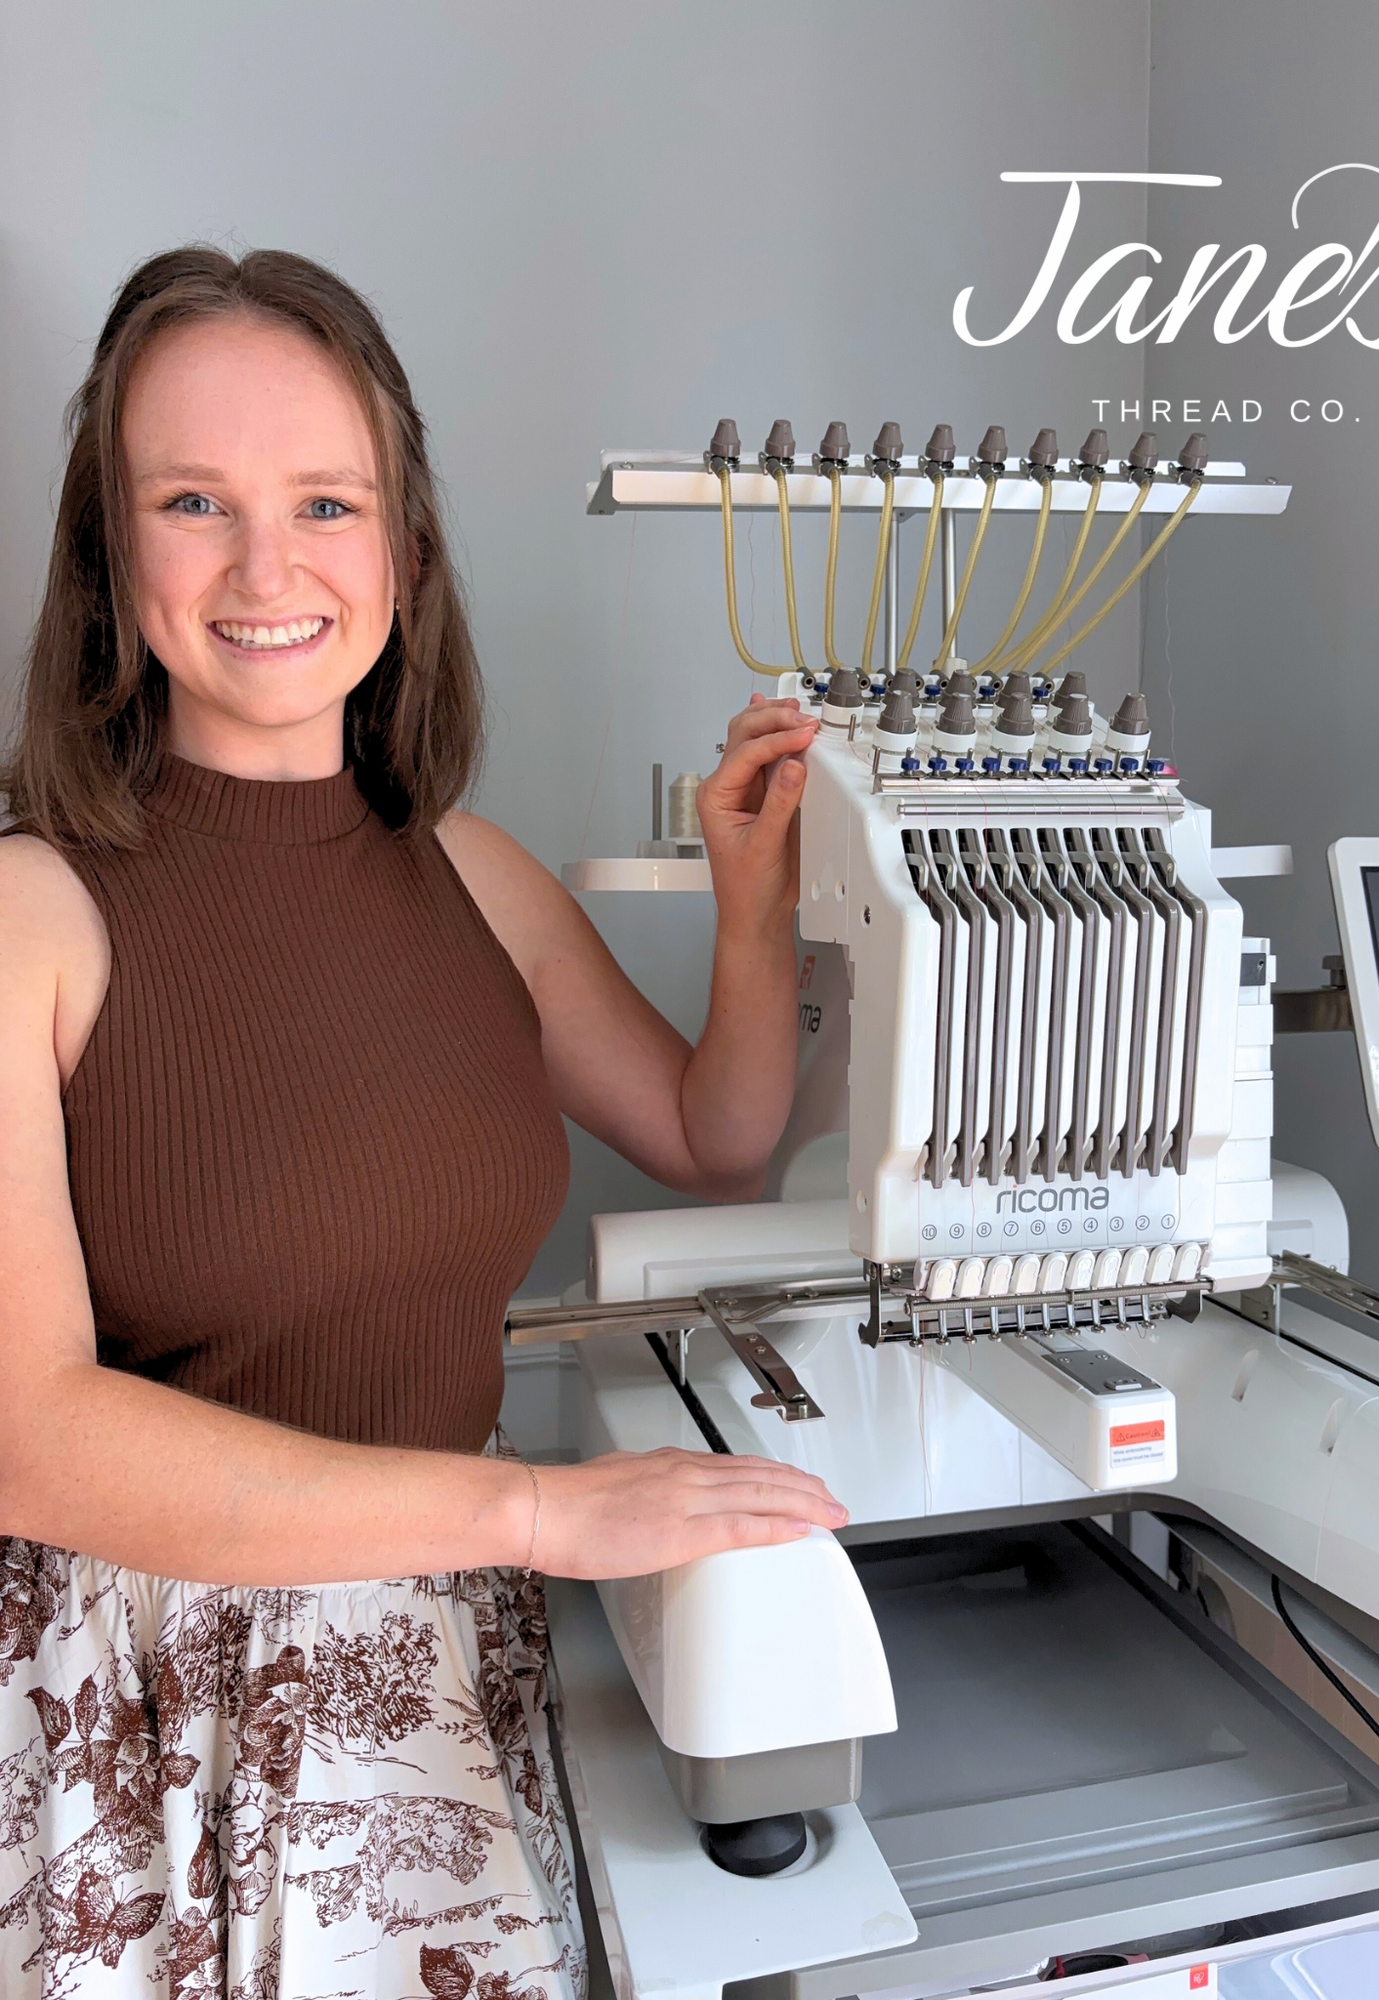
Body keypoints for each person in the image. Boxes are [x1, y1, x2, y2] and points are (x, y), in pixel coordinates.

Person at [0, 246, 846, 2000]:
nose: (267, 567)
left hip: (448, 1686)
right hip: (142, 1745)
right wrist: (539, 1517)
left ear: (405, 545)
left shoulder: (469, 870)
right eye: (192, 502)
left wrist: (750, 894)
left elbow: (713, 1134)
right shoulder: (34, 912)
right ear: (109, 555)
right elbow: (32, 1439)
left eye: (327, 499)